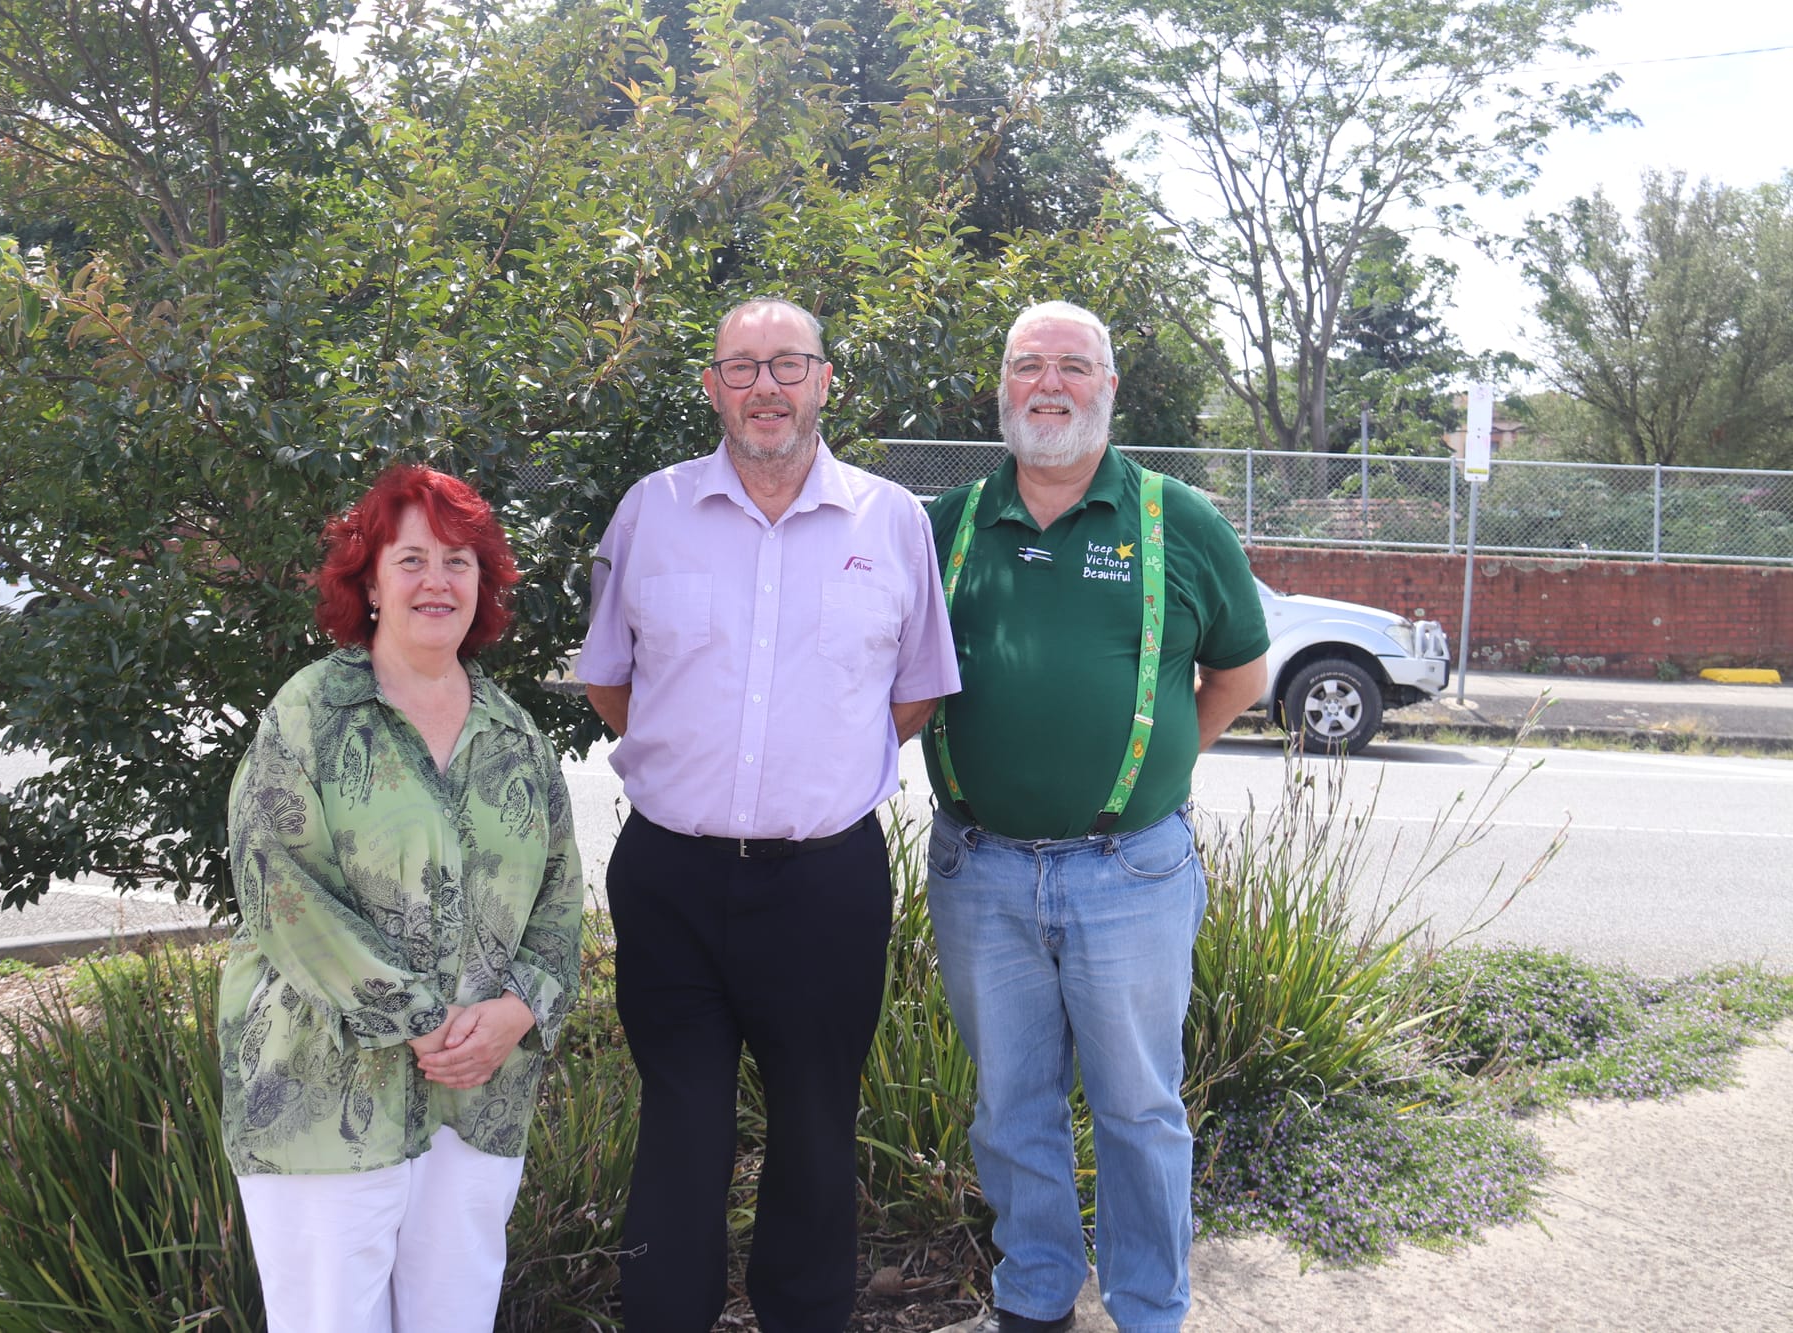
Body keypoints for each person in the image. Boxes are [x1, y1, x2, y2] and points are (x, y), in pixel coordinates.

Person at [578, 297, 961, 1332]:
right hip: (671, 877)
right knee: (681, 1126)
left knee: (814, 1130)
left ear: (824, 380)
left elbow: (913, 692)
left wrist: (812, 763)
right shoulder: (647, 510)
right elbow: (614, 680)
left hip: (823, 881)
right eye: (740, 367)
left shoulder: (891, 521)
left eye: (786, 364)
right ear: (710, 386)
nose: (764, 386)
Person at [923, 301, 1269, 1333]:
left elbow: (1239, 673)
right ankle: (1032, 1302)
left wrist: (1146, 774)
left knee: (1139, 1111)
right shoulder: (942, 524)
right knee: (1009, 1111)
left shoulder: (1177, 520)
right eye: (1026, 364)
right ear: (1001, 389)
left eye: (1073, 365)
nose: (1048, 384)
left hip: (1130, 874)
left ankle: (1147, 1311)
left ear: (1107, 388)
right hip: (977, 870)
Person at [217, 463, 582, 1333]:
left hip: (479, 1095)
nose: (438, 581)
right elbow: (278, 886)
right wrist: (420, 1019)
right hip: (322, 1096)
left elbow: (562, 901)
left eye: (460, 561)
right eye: (412, 558)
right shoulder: (309, 714)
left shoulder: (514, 735)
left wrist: (516, 1013)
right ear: (369, 580)